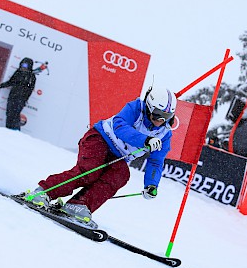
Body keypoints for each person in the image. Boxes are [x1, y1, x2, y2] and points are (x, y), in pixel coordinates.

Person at [24, 86, 177, 229]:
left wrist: (151, 184)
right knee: (90, 171)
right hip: (100, 138)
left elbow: (156, 161)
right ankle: (43, 191)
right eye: (158, 115)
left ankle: (79, 205)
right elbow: (119, 127)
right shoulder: (135, 108)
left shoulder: (164, 134)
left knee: (121, 175)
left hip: (118, 156)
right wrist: (144, 140)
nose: (160, 121)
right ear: (149, 107)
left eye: (166, 117)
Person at [0, 57, 36, 130]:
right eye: (22, 65)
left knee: (15, 115)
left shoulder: (31, 76)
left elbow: (30, 89)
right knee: (9, 113)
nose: (23, 67)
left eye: (25, 66)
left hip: (21, 98)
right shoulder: (18, 72)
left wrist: (25, 99)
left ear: (29, 66)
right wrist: (1, 86)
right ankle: (8, 129)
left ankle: (15, 131)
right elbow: (11, 82)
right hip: (13, 96)